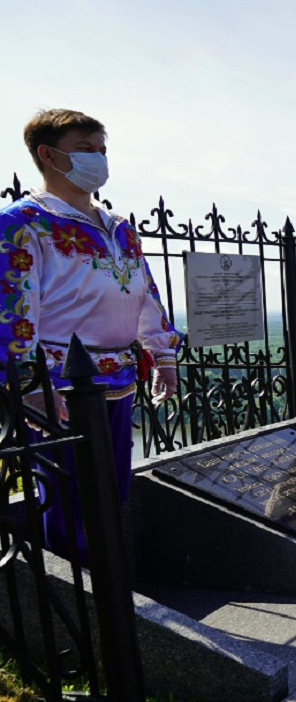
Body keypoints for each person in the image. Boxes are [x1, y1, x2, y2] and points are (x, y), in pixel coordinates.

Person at [0, 109, 182, 562]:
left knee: (110, 491)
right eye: (85, 150)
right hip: (60, 385)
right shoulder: (23, 224)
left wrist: (163, 356)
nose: (99, 160)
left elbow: (144, 293)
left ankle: (108, 586)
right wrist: (31, 388)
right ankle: (84, 600)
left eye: (102, 150)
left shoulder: (119, 226)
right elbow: (11, 311)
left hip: (118, 379)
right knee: (67, 499)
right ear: (48, 154)